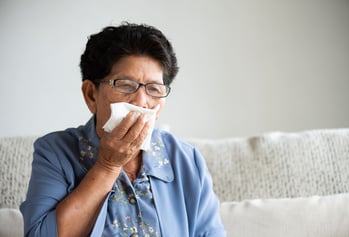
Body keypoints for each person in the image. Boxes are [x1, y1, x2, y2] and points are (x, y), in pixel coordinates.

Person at [20, 22, 226, 237]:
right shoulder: (55, 151)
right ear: (91, 94)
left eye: (154, 89)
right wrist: (107, 166)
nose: (141, 102)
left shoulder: (186, 159)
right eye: (126, 85)